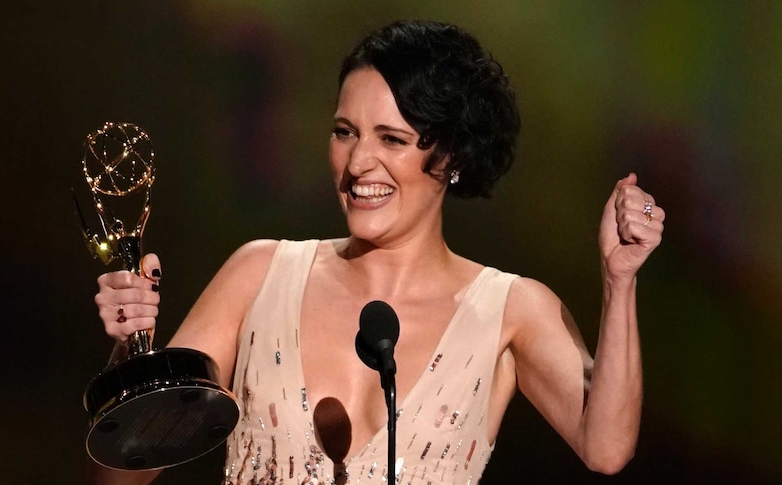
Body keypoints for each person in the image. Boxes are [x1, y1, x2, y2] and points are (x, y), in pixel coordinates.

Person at [89, 19, 664, 485]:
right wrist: (127, 354)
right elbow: (123, 475)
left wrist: (620, 282)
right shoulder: (259, 274)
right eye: (345, 132)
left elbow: (606, 448)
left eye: (391, 138)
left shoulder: (510, 310)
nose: (359, 161)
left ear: (453, 155)